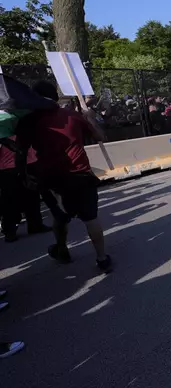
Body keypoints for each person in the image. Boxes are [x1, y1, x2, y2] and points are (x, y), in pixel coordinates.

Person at [15, 81, 111, 271]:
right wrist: (90, 118)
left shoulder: (29, 120)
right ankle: (102, 258)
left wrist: (22, 174)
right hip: (81, 174)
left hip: (51, 178)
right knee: (90, 217)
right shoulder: (73, 116)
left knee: (59, 216)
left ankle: (62, 249)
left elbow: (20, 151)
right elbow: (100, 136)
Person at [0, 136, 51, 242]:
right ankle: (10, 230)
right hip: (8, 166)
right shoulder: (3, 126)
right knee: (9, 200)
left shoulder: (24, 123)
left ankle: (35, 224)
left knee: (32, 196)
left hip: (29, 161)